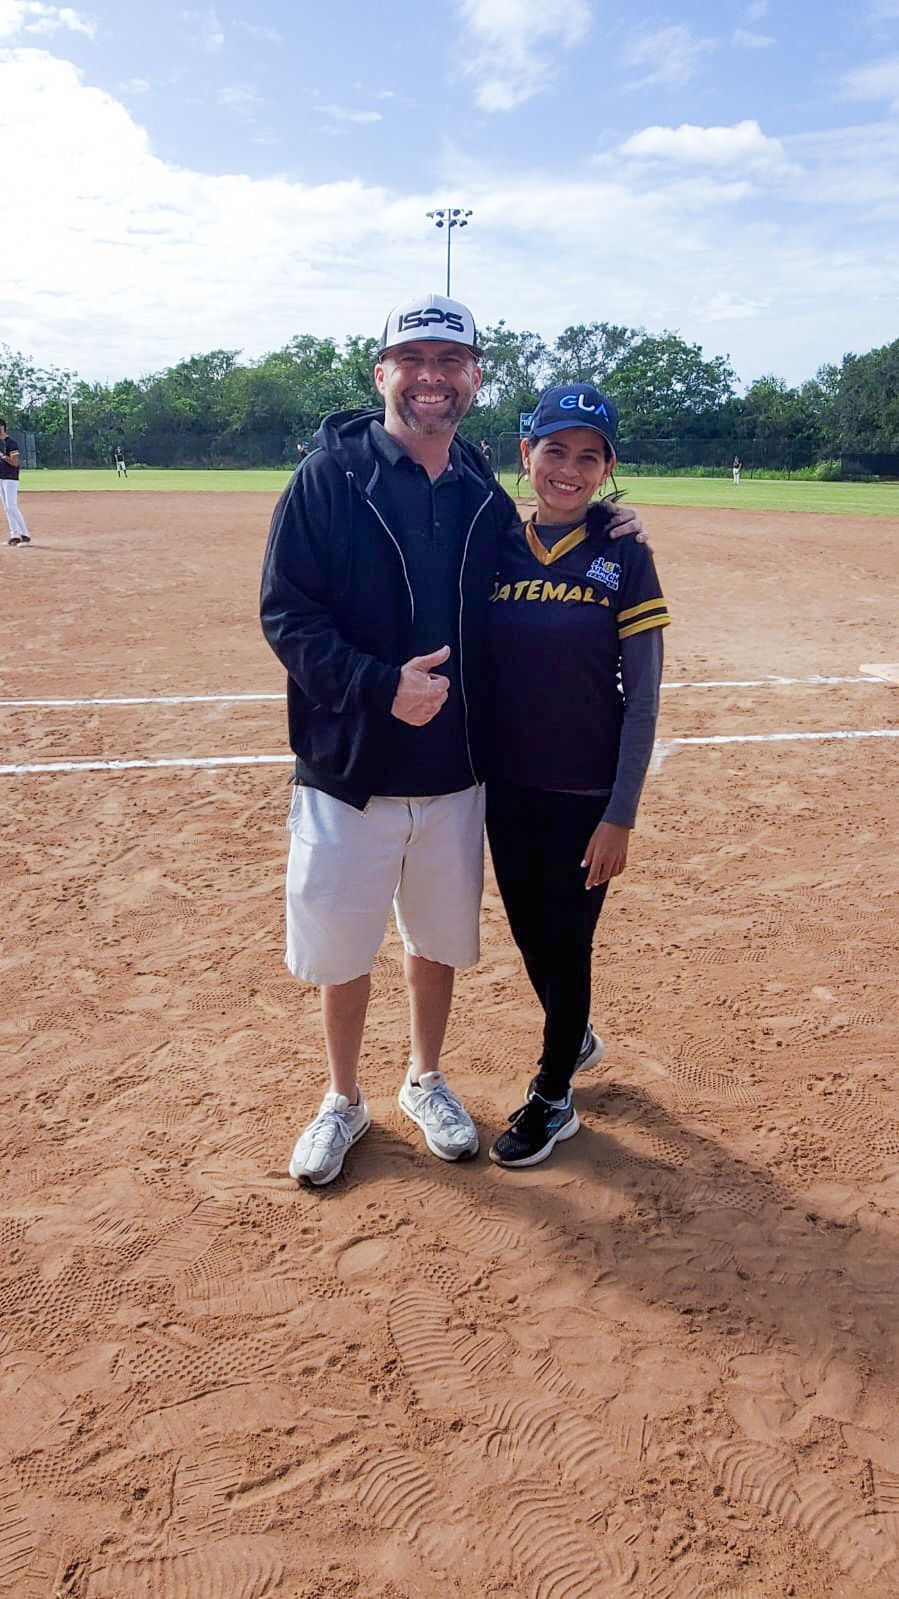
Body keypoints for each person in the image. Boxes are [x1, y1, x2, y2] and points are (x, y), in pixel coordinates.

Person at [259, 294, 646, 1188]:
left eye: (451, 361)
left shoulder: (478, 487)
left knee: (435, 942)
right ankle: (342, 1097)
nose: (431, 377)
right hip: (346, 767)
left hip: (456, 772)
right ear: (381, 372)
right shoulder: (327, 476)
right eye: (413, 358)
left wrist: (615, 524)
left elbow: (549, 541)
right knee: (344, 947)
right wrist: (377, 686)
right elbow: (286, 613)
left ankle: (425, 1078)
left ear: (473, 377)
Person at [484, 383, 671, 1167]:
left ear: (606, 468)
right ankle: (577, 1031)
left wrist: (619, 813)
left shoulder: (625, 555)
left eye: (587, 456)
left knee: (567, 946)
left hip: (586, 794)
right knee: (531, 936)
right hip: (507, 787)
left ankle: (553, 1092)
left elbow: (644, 696)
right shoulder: (492, 543)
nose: (568, 468)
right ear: (525, 454)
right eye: (553, 450)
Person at [0, 419, 31, 546]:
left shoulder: (11, 443)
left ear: (1, 427)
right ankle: (14, 535)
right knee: (7, 508)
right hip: (1, 478)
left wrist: (2, 455)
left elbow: (15, 462)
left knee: (12, 506)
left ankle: (25, 535)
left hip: (10, 479)